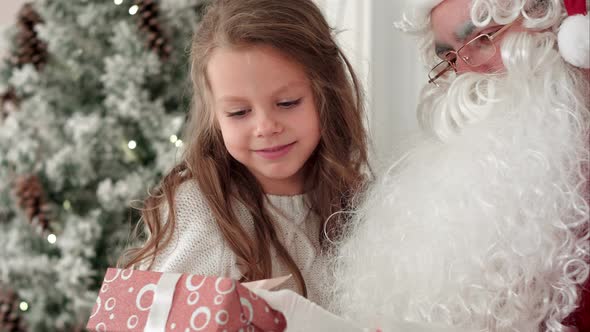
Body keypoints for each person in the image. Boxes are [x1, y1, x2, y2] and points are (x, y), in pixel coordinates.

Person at [329, 0, 590, 331]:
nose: (465, 70)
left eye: (483, 39)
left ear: (555, 28)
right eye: (450, 58)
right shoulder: (461, 175)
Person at [117, 0, 370, 308]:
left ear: (327, 94)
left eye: (288, 102)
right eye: (238, 112)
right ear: (214, 117)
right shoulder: (203, 210)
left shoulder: (360, 200)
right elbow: (155, 317)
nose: (265, 126)